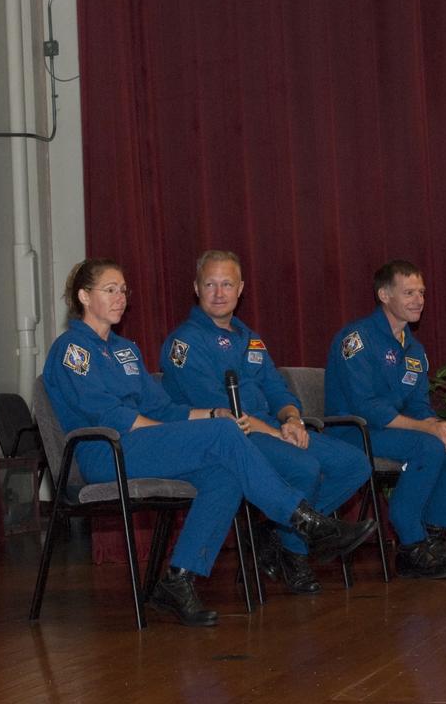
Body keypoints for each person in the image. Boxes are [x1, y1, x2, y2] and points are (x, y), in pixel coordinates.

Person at [43, 259, 376, 627]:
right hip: (107, 451)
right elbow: (108, 415)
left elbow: (165, 408)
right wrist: (181, 431)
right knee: (225, 436)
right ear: (84, 297)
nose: (120, 297)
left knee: (224, 473)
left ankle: (178, 579)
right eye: (110, 290)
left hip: (145, 444)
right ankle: (306, 522)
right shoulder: (72, 350)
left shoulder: (126, 351)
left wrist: (213, 414)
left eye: (123, 290)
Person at [159, 250, 371, 594]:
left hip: (271, 429)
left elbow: (276, 387)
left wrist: (292, 420)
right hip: (230, 438)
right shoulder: (183, 344)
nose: (218, 292)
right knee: (304, 468)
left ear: (241, 289)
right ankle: (294, 553)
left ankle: (280, 533)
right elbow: (221, 412)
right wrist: (277, 432)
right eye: (210, 284)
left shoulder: (249, 338)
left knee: (354, 463)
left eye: (227, 284)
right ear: (195, 288)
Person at [323, 260, 446, 579]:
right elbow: (365, 407)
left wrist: (437, 425)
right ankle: (410, 544)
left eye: (421, 292)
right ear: (384, 295)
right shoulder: (356, 339)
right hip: (354, 433)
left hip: (395, 433)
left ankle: (436, 538)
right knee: (428, 446)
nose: (419, 300)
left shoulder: (414, 350)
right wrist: (425, 429)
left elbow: (419, 403)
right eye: (408, 292)